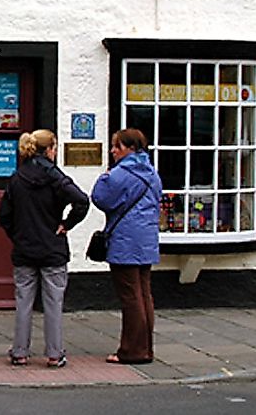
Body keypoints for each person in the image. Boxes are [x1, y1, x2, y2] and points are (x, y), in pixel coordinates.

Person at [0, 129, 89, 368]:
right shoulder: (56, 178)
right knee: (54, 302)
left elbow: (4, 215)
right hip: (52, 247)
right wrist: (66, 225)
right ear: (49, 149)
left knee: (23, 302)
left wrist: (17, 235)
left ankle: (19, 352)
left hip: (25, 248)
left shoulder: (17, 178)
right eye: (55, 147)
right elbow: (82, 201)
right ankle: (55, 353)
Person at [91, 127, 163, 365]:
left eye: (117, 146)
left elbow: (100, 197)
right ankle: (146, 348)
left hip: (125, 241)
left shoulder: (120, 174)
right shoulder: (152, 173)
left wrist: (105, 176)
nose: (113, 151)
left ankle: (131, 351)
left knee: (131, 298)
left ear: (131, 149)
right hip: (146, 240)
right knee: (144, 295)